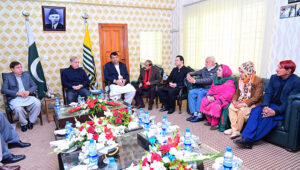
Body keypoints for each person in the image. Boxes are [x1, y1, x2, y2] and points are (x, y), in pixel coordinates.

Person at [234, 60, 300, 149]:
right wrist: (265, 106)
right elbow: (268, 93)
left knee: (267, 117)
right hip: (269, 104)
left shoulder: (296, 81)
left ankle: (249, 140)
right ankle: (246, 137)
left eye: (280, 68)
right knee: (255, 110)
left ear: (288, 71)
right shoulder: (274, 78)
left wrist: (275, 112)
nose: (277, 70)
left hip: (280, 108)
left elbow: (289, 102)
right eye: (277, 67)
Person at [224, 62, 263, 139]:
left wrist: (243, 104)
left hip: (252, 103)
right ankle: (235, 130)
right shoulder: (239, 79)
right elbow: (237, 93)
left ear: (248, 71)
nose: (240, 74)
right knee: (231, 107)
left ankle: (236, 130)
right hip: (241, 100)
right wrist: (234, 101)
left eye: (242, 72)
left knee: (241, 110)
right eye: (240, 72)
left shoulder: (258, 80)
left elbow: (256, 97)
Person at [1, 61, 41, 132]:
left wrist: (29, 91)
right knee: (18, 109)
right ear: (12, 69)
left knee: (38, 103)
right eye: (18, 68)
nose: (20, 69)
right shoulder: (8, 77)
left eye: (21, 67)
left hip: (27, 96)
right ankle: (24, 123)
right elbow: (3, 90)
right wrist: (17, 93)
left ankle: (31, 121)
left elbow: (35, 86)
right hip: (15, 98)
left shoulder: (26, 75)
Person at [200, 64, 236, 130]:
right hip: (214, 96)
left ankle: (215, 124)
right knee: (204, 100)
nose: (217, 72)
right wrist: (208, 95)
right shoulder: (216, 79)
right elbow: (211, 89)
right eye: (217, 70)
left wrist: (214, 98)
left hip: (224, 99)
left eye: (219, 70)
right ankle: (210, 121)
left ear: (224, 72)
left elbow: (228, 95)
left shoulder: (230, 81)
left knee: (215, 104)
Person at [186, 56, 219, 122]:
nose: (205, 64)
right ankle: (194, 113)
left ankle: (200, 115)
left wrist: (195, 81)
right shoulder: (205, 69)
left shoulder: (217, 70)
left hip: (210, 90)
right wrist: (188, 74)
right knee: (191, 92)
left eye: (207, 62)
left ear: (212, 63)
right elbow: (195, 72)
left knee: (200, 93)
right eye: (205, 62)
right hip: (203, 88)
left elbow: (209, 80)